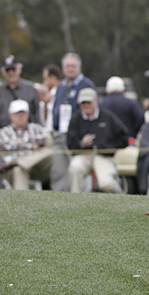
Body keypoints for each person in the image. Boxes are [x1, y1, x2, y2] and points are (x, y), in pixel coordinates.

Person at [49, 52, 96, 191]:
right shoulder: (61, 86)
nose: (70, 69)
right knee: (59, 170)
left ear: (79, 67)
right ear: (63, 68)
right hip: (60, 135)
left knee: (78, 169)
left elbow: (91, 111)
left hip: (78, 135)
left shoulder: (86, 85)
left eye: (73, 66)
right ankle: (59, 200)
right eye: (68, 66)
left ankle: (80, 199)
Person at [66, 87, 128, 193]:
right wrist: (81, 144)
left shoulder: (108, 117)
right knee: (74, 168)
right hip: (83, 156)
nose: (86, 105)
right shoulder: (75, 120)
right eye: (83, 103)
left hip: (103, 156)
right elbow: (70, 144)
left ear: (96, 102)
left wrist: (108, 148)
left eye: (88, 102)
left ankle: (121, 199)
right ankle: (74, 202)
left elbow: (124, 138)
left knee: (107, 184)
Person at [0, 99, 54, 190]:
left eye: (23, 114)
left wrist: (20, 144)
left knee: (49, 152)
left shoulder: (36, 128)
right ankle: (22, 203)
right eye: (17, 114)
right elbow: (7, 146)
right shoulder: (4, 131)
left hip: (36, 168)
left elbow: (43, 139)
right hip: (11, 172)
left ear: (28, 114)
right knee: (18, 170)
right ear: (11, 116)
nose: (20, 117)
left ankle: (18, 163)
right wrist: (31, 146)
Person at [0, 55, 41, 132]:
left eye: (13, 69)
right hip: (3, 136)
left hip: (28, 136)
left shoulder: (31, 90)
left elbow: (37, 117)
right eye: (7, 70)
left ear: (19, 70)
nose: (11, 73)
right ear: (3, 72)